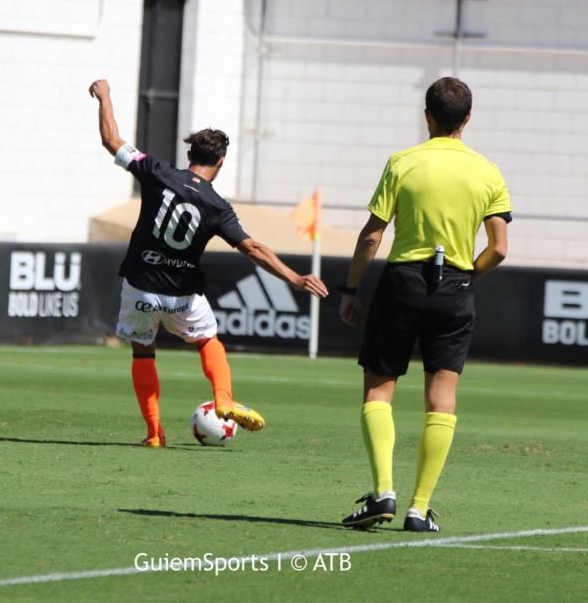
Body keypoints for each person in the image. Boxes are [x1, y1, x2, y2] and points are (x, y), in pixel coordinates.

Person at [89, 78, 329, 447]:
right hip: (182, 294)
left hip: (140, 285)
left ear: (190, 156)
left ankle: (154, 433)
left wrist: (104, 96)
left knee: (143, 352)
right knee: (207, 342)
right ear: (220, 160)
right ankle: (223, 397)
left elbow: (111, 140)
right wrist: (294, 278)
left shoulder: (158, 172)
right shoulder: (218, 207)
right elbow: (252, 248)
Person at [338, 77, 511, 531]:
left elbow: (372, 235)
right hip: (455, 284)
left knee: (379, 389)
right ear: (468, 118)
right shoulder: (488, 171)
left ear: (427, 116)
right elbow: (500, 248)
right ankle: (419, 508)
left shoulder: (403, 162)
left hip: (402, 282)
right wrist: (467, 274)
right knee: (442, 399)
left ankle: (383, 493)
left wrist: (351, 290)